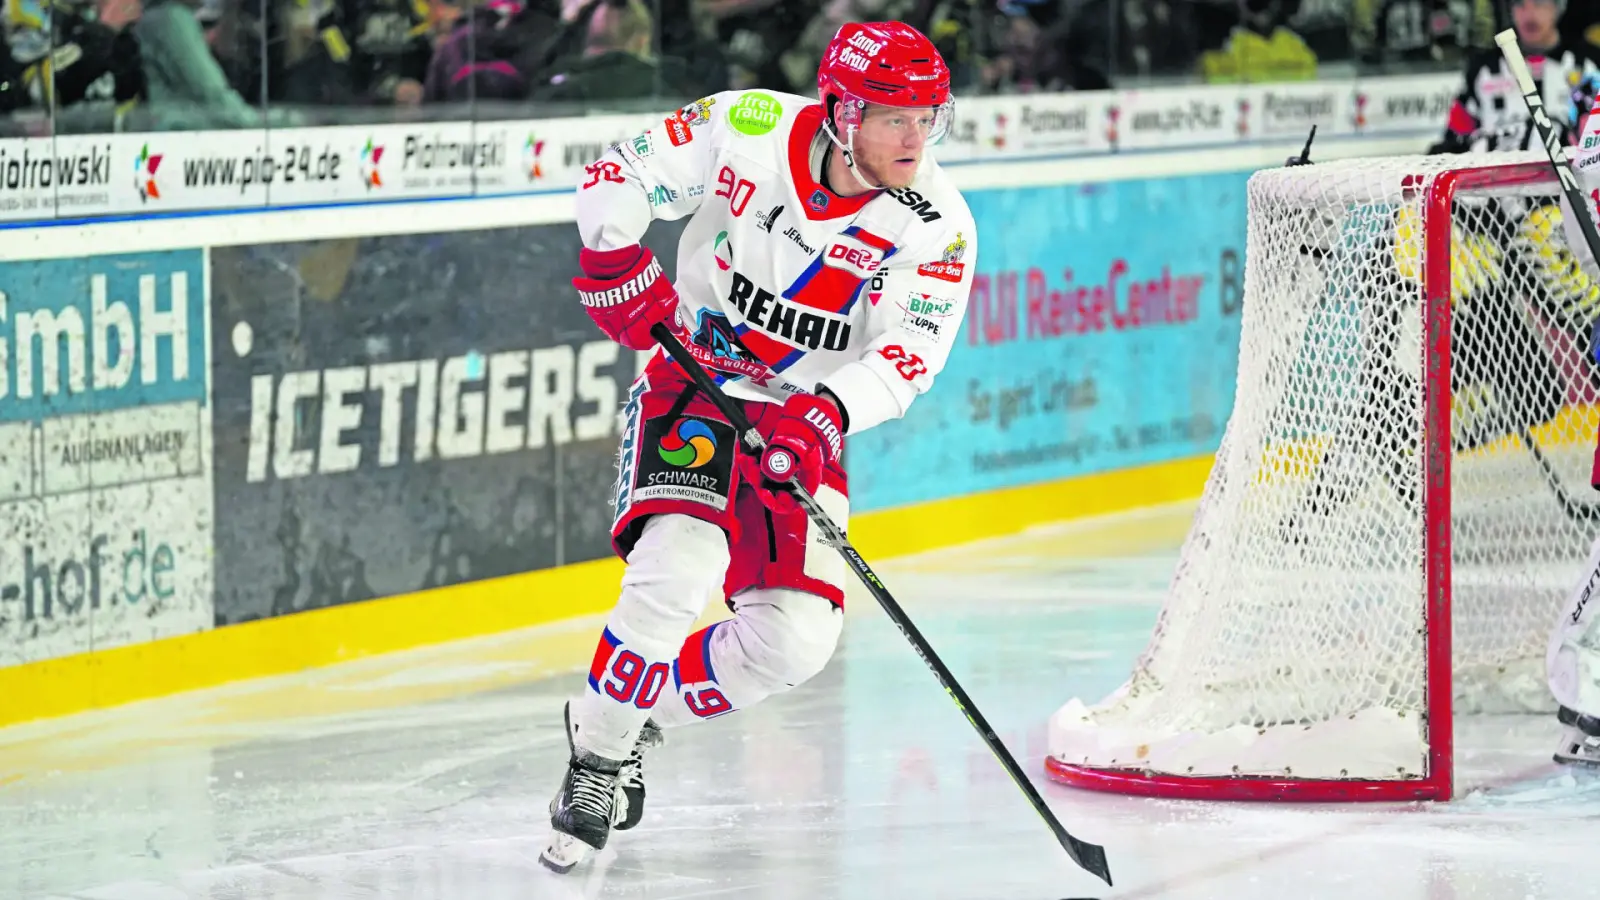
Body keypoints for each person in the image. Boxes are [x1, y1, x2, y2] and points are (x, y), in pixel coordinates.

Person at [541, 20, 976, 873]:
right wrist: (612, 250)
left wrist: (827, 413)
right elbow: (619, 173)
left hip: (802, 422)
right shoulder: (747, 126)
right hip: (694, 379)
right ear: (841, 111)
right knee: (676, 569)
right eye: (894, 117)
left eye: (929, 117)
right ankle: (595, 761)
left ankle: (631, 718)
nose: (915, 138)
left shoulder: (939, 226)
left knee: (794, 643)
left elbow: (908, 358)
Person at [1432, 0, 1600, 154]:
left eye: (1539, 3)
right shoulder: (1482, 69)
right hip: (1497, 182)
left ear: (1558, 6)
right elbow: (1455, 139)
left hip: (1573, 182)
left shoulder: (1589, 63)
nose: (1529, 14)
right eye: (1519, 4)